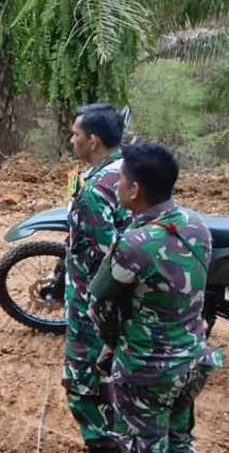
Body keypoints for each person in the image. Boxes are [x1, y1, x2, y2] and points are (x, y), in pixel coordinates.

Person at [89, 143, 224, 452]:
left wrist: (113, 344)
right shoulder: (197, 225)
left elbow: (98, 307)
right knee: (179, 441)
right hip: (192, 361)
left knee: (143, 444)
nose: (117, 186)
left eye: (121, 179)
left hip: (147, 371)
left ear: (134, 189)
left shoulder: (133, 244)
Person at [64, 104, 132, 451]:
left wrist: (98, 314)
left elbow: (104, 262)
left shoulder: (95, 191)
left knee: (82, 382)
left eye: (76, 133)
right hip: (127, 301)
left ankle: (104, 443)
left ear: (93, 141)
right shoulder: (127, 172)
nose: (71, 139)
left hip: (93, 304)